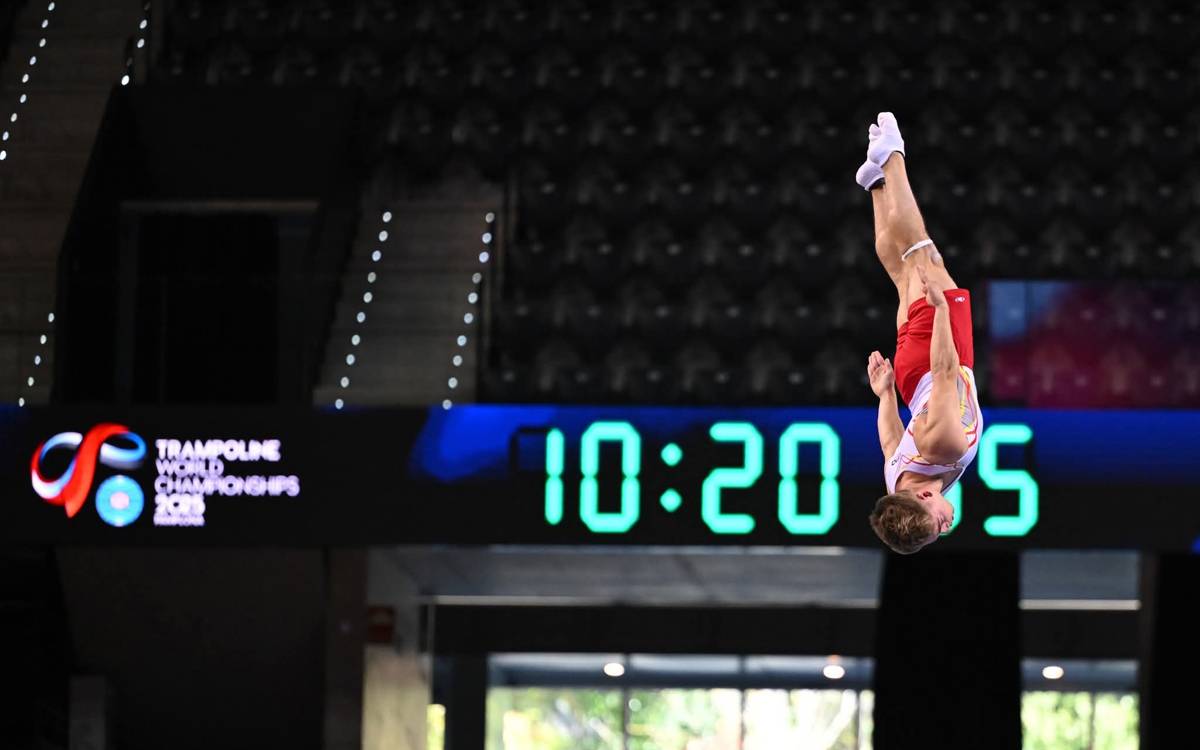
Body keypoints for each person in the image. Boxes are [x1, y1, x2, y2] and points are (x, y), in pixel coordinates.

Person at [855, 113, 983, 554]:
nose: (946, 524)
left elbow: (947, 371)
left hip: (939, 355)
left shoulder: (944, 445)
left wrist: (943, 310)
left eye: (937, 526)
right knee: (900, 271)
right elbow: (891, 440)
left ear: (925, 498)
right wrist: (886, 394)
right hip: (909, 381)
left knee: (921, 253)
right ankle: (875, 184)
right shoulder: (897, 482)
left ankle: (892, 156)